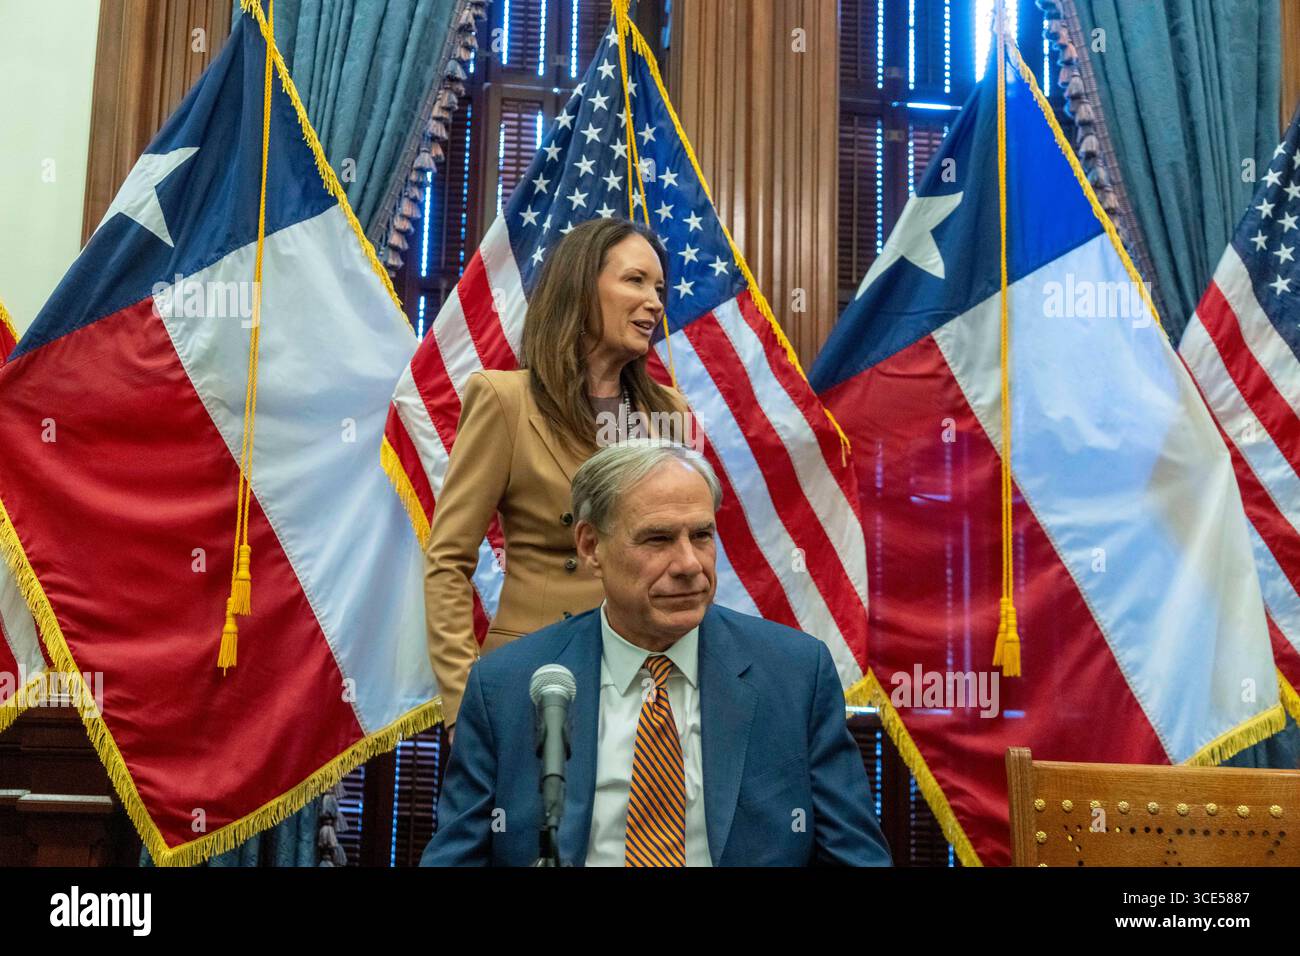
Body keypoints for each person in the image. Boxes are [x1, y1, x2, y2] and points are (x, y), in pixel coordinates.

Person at [421, 440, 892, 866]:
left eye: (702, 536)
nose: (689, 564)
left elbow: (856, 857)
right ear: (591, 547)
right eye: (658, 539)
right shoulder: (506, 686)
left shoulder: (794, 675)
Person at [424, 218, 692, 734]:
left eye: (659, 287)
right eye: (635, 281)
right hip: (533, 683)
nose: (656, 301)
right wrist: (464, 713)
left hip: (644, 689)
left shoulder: (668, 415)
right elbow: (447, 562)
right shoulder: (504, 401)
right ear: (581, 286)